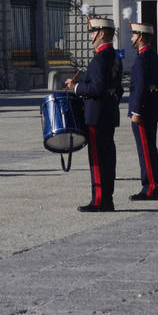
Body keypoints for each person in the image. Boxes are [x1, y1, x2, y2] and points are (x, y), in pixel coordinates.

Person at [64, 17, 123, 212]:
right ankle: (107, 197)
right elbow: (117, 88)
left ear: (102, 33)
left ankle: (100, 200)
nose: (91, 36)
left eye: (93, 32)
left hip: (96, 116)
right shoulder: (114, 56)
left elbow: (96, 88)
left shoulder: (99, 58)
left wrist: (76, 87)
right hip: (108, 114)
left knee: (97, 159)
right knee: (108, 158)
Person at [126, 21, 158, 201]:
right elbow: (157, 85)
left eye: (133, 35)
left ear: (140, 37)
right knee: (150, 148)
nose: (132, 38)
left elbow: (139, 87)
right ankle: (151, 186)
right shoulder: (154, 56)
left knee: (146, 150)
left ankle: (149, 188)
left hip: (143, 112)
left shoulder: (141, 59)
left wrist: (136, 111)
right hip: (153, 109)